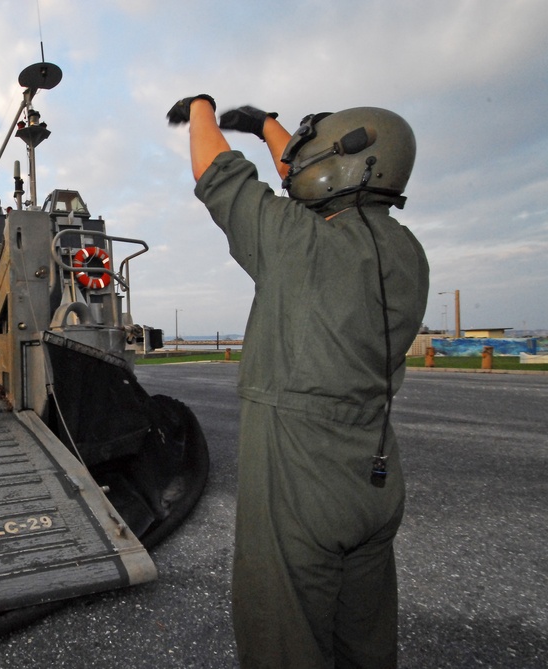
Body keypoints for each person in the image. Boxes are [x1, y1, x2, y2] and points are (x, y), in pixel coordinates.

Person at [168, 96, 429, 668]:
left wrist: (201, 110)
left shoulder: (298, 244)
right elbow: (321, 180)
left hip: (300, 482)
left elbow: (219, 174)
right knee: (363, 642)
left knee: (281, 641)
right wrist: (266, 126)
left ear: (344, 165)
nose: (298, 168)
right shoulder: (408, 252)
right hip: (375, 477)